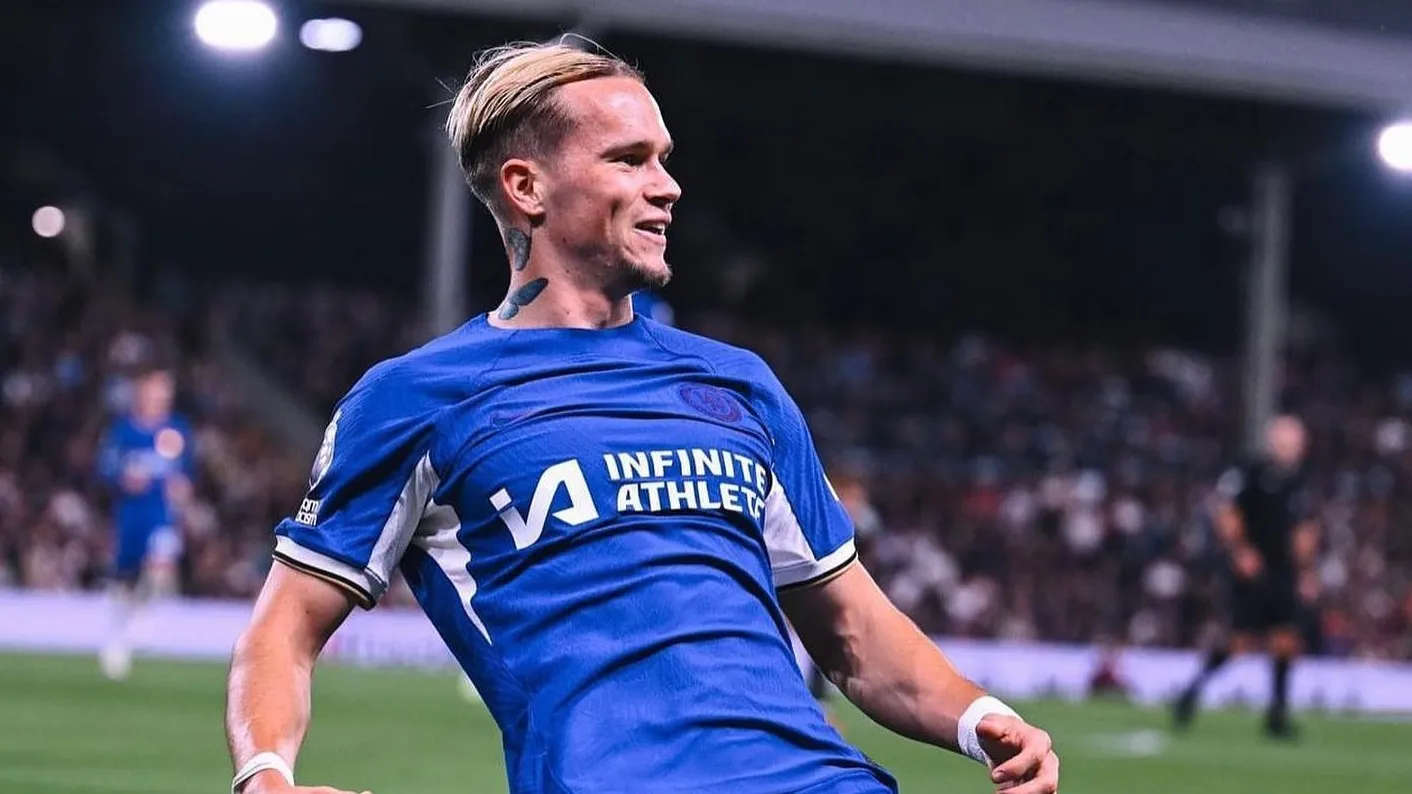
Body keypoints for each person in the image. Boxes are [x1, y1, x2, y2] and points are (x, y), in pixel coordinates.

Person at [225, 39, 1060, 794]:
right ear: (526, 187)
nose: (667, 186)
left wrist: (979, 716)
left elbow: (852, 630)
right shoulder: (416, 399)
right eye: (629, 160)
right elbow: (285, 627)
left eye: (663, 159)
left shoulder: (739, 385)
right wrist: (266, 777)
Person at [1173, 414, 1318, 739]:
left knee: (1286, 640)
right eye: (1286, 442)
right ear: (1273, 442)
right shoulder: (1250, 472)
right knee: (1240, 640)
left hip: (1283, 570)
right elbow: (1227, 512)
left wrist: (1306, 572)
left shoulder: (1300, 481)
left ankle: (1277, 715)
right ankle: (1191, 693)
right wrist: (1240, 551)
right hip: (1252, 570)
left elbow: (1305, 529)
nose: (1291, 449)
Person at [95, 362, 193, 680]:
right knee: (124, 580)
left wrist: (182, 488)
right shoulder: (124, 431)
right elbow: (105, 468)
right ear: (142, 390)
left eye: (167, 389)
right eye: (157, 387)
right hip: (130, 515)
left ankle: (142, 619)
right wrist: (123, 479)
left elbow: (186, 473)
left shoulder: (176, 429)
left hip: (161, 515)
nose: (163, 394)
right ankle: (117, 638)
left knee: (161, 566)